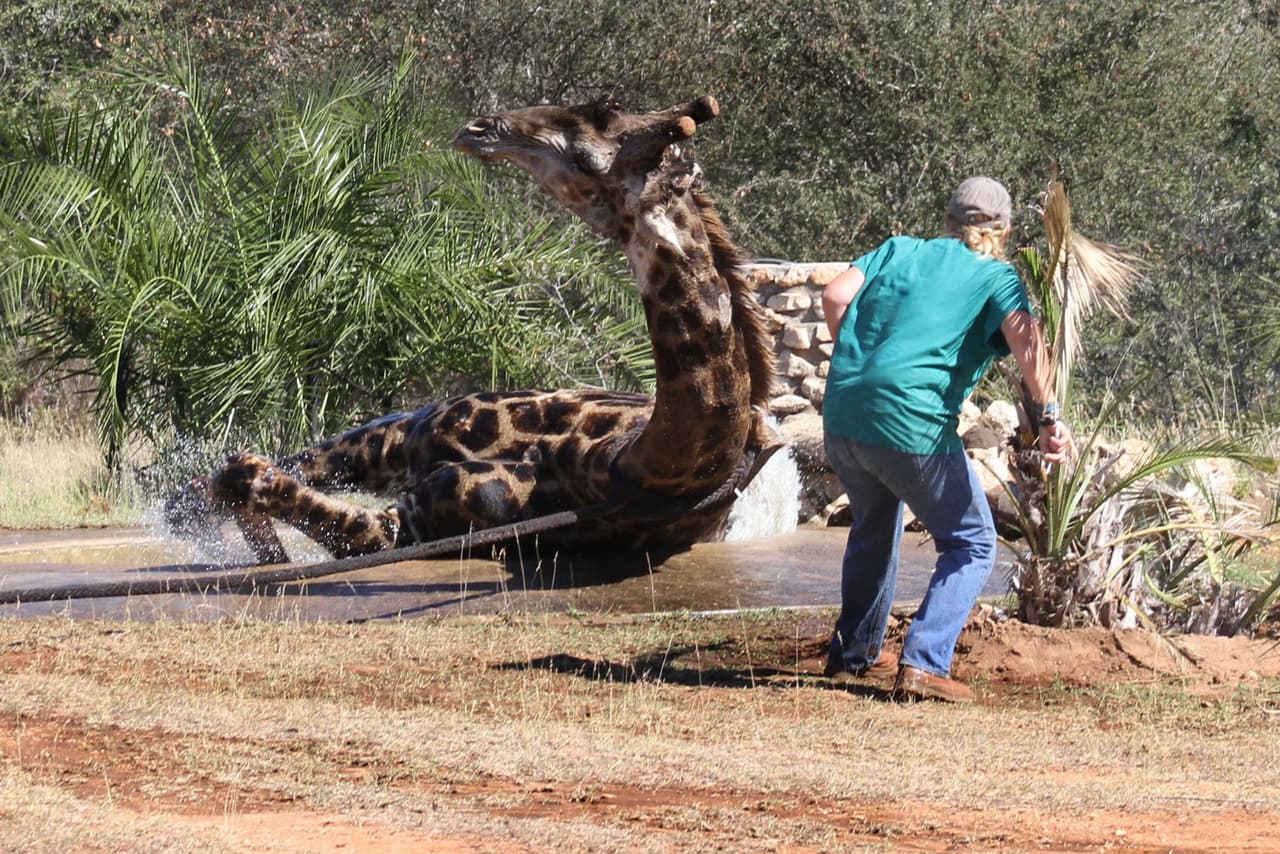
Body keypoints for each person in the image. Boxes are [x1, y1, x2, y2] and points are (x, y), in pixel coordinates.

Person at [821, 176, 1070, 703]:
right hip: (910, 420)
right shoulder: (997, 277)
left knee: (873, 524)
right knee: (973, 541)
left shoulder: (898, 249)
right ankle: (924, 662)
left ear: (948, 223)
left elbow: (835, 294)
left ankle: (853, 655)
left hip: (844, 413)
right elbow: (1028, 344)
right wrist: (1049, 416)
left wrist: (864, 363)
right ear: (1003, 231)